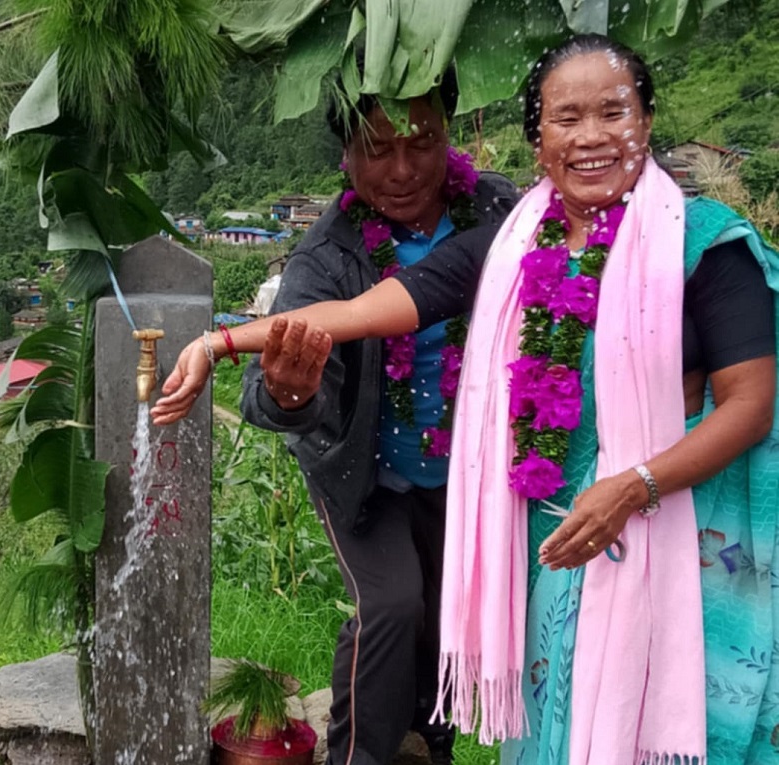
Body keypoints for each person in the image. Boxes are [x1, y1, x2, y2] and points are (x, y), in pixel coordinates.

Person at [153, 34, 779, 765]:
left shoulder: (688, 243)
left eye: (613, 112)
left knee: (632, 692)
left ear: (646, 118)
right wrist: (230, 349)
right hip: (444, 493)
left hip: (647, 515)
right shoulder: (505, 239)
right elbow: (374, 309)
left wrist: (634, 481)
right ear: (538, 139)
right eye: (566, 119)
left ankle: (433, 746)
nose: (591, 138)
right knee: (437, 633)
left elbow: (750, 400)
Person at [237, 71, 517, 765]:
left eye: (421, 143)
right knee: (391, 604)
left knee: (443, 613)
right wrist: (292, 393)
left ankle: (430, 746)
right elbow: (264, 392)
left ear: (452, 135)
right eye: (377, 148)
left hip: (468, 472)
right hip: (366, 475)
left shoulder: (498, 213)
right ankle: (357, 755)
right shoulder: (330, 254)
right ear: (346, 155)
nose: (400, 170)